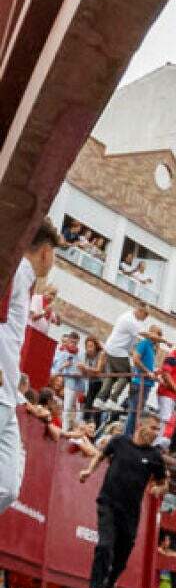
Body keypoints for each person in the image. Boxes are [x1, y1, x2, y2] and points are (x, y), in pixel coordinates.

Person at [74, 409, 170, 588]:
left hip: (131, 512)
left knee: (121, 558)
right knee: (104, 546)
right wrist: (89, 471)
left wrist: (158, 490)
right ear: (140, 426)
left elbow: (164, 483)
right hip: (108, 503)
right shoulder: (119, 442)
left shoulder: (155, 456)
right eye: (153, 428)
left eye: (158, 429)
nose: (156, 433)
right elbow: (101, 455)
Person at [1, 220, 62, 518]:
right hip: (0, 389)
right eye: (55, 255)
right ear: (46, 252)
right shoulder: (12, 274)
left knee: (8, 487)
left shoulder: (25, 285)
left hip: (9, 396)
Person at [99, 298, 150, 412]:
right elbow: (145, 335)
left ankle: (100, 399)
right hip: (117, 350)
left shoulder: (129, 316)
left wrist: (132, 352)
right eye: (145, 314)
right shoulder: (130, 320)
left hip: (113, 348)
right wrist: (162, 340)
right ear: (139, 310)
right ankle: (112, 400)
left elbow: (131, 341)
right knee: (128, 375)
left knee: (113, 376)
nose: (146, 317)